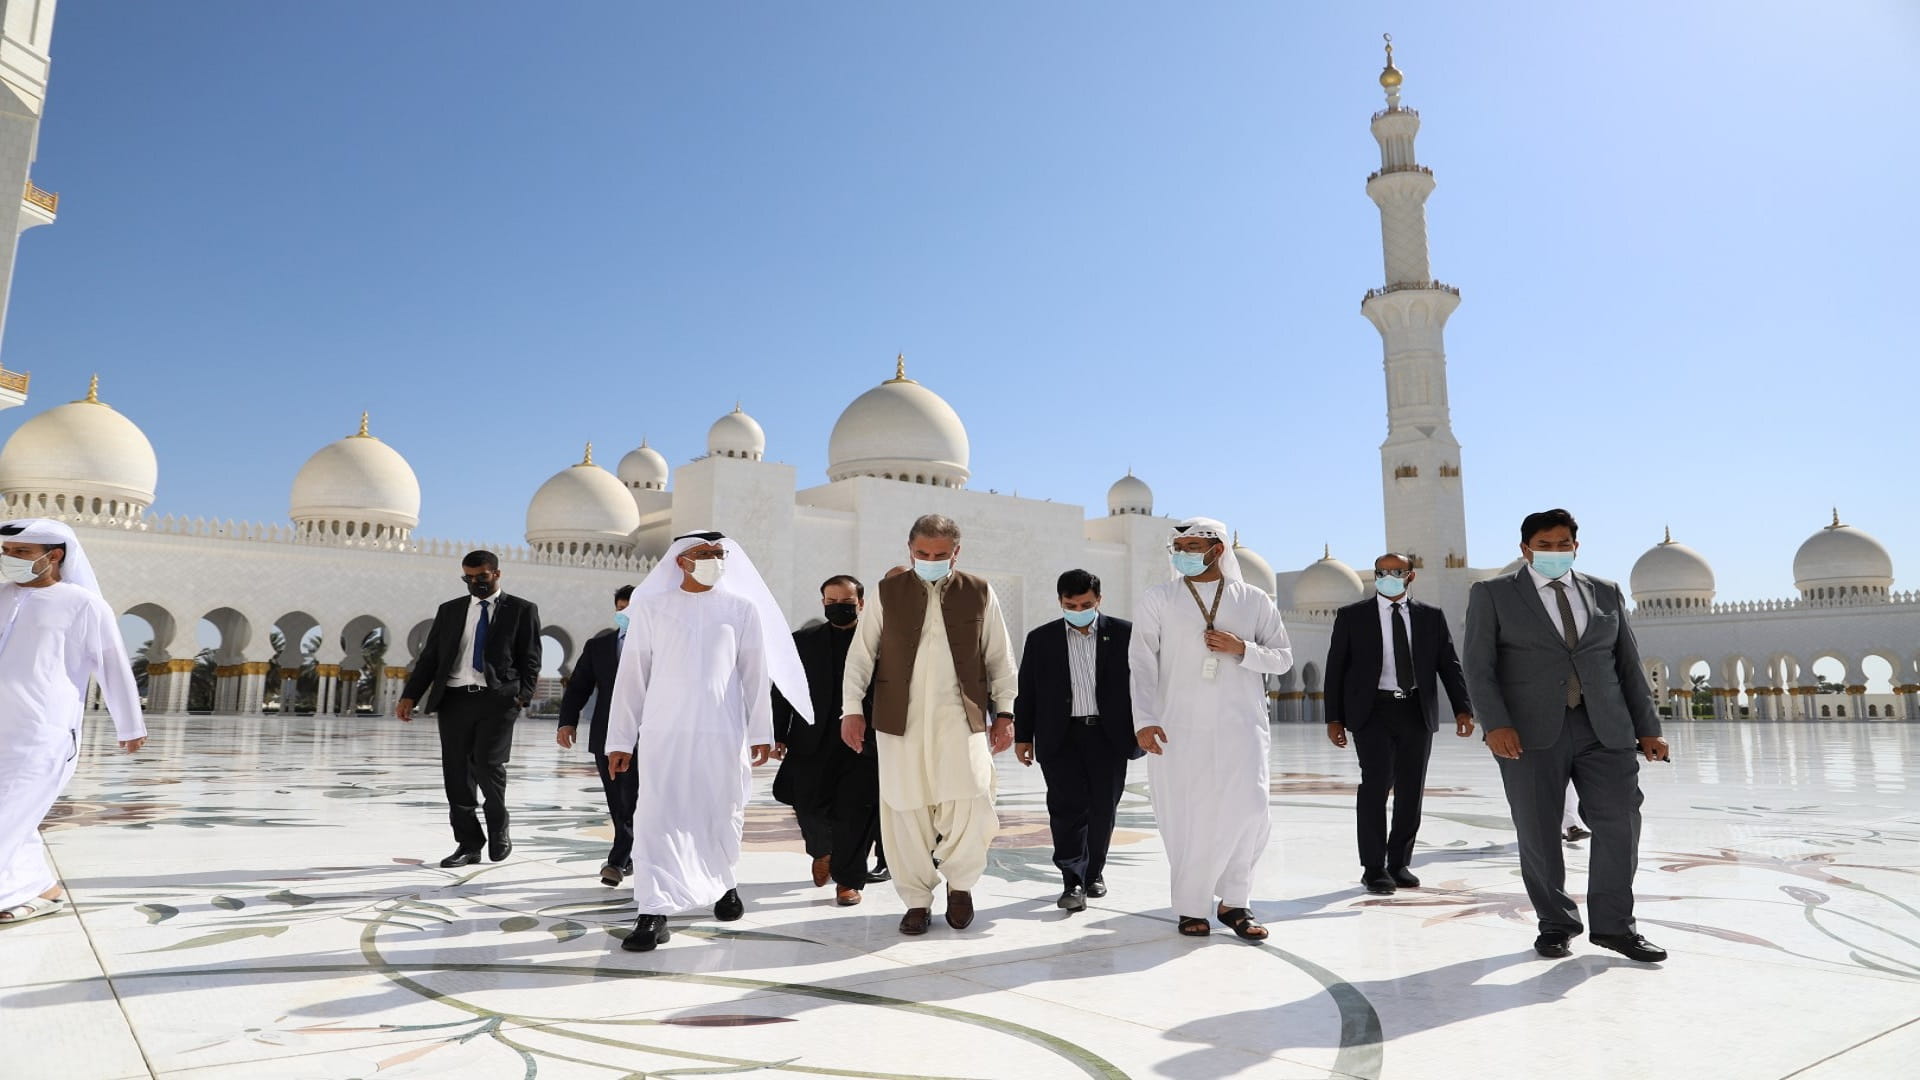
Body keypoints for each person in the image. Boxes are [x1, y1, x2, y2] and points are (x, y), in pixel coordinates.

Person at [1463, 508, 1670, 963]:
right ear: (1525, 549)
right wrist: (1494, 724)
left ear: (1576, 547)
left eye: (1563, 545)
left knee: (1620, 821)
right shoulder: (1494, 594)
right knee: (1538, 830)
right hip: (1528, 732)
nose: (1554, 553)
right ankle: (1556, 923)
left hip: (1605, 728)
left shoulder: (1606, 593)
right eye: (1544, 545)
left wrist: (1648, 728)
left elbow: (1628, 668)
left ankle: (1616, 928)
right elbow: (1478, 668)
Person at [605, 530, 809, 952]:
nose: (715, 560)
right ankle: (652, 911)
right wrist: (620, 740)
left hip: (723, 733)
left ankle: (723, 883)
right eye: (705, 554)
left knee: (722, 812)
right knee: (656, 817)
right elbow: (631, 678)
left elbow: (755, 674)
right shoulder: (651, 608)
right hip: (665, 733)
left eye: (719, 554)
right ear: (681, 560)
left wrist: (761, 732)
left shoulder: (740, 609)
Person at [841, 514, 1018, 936]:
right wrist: (852, 708)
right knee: (905, 809)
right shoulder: (887, 592)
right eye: (922, 553)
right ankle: (916, 900)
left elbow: (999, 656)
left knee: (972, 803)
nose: (930, 560)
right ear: (909, 549)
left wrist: (1006, 712)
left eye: (940, 555)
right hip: (899, 720)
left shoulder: (979, 591)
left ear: (957, 552)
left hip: (963, 718)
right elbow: (861, 655)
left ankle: (961, 886)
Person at [1133, 517, 1293, 942]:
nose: (1182, 553)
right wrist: (1144, 719)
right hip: (1178, 726)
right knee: (1190, 814)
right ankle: (1191, 906)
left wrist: (1243, 649)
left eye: (1191, 545)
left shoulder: (1254, 600)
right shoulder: (1159, 598)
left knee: (1251, 810)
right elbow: (1142, 663)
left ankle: (1234, 902)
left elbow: (1283, 658)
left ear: (1217, 548)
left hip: (1242, 726)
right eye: (1178, 546)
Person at [0, 520, 145, 924]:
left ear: (55, 555)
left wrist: (130, 725)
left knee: (9, 811)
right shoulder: (1, 597)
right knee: (17, 815)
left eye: (21, 553)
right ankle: (43, 889)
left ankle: (11, 893)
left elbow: (112, 665)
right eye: (7, 552)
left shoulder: (83, 605)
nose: (9, 560)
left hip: (42, 733)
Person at [1324, 552, 1474, 895]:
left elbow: (1448, 664)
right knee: (1375, 785)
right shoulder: (1353, 616)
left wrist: (1463, 708)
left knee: (1411, 789)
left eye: (1396, 571)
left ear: (1410, 576)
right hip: (1371, 711)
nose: (1388, 576)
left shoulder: (1430, 617)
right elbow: (1336, 668)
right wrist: (1334, 718)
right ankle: (1374, 867)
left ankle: (1399, 863)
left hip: (1415, 710)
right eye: (1381, 572)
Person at [398, 550, 542, 868]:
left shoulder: (521, 610)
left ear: (496, 574)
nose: (474, 583)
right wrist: (410, 695)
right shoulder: (450, 611)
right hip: (454, 699)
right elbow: (430, 658)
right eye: (468, 578)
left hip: (497, 700)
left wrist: (522, 697)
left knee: (489, 767)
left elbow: (530, 658)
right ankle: (468, 843)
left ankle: (499, 829)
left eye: (481, 577)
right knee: (457, 774)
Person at [1014, 568, 1140, 913]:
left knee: (1103, 808)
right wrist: (1023, 736)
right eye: (1070, 604)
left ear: (1099, 599)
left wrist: (1145, 726)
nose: (1078, 609)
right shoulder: (1041, 639)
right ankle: (1072, 880)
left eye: (1085, 603)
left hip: (1108, 736)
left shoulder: (1125, 634)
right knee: (1066, 810)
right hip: (1061, 736)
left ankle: (1094, 872)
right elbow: (1027, 692)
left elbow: (1144, 686)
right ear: (1060, 602)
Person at [773, 575, 879, 906]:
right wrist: (777, 733)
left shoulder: (878, 641)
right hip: (810, 740)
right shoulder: (802, 641)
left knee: (855, 813)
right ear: (822, 603)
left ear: (860, 603)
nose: (839, 608)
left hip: (863, 742)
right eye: (831, 602)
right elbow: (782, 690)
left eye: (846, 602)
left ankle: (848, 880)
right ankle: (821, 850)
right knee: (807, 804)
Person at [556, 584, 639, 887]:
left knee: (635, 798)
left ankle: (617, 860)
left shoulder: (661, 643)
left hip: (648, 735)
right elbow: (579, 686)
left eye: (631, 608)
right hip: (606, 734)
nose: (624, 614)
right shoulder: (599, 645)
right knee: (618, 799)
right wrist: (567, 722)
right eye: (620, 608)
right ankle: (626, 855)